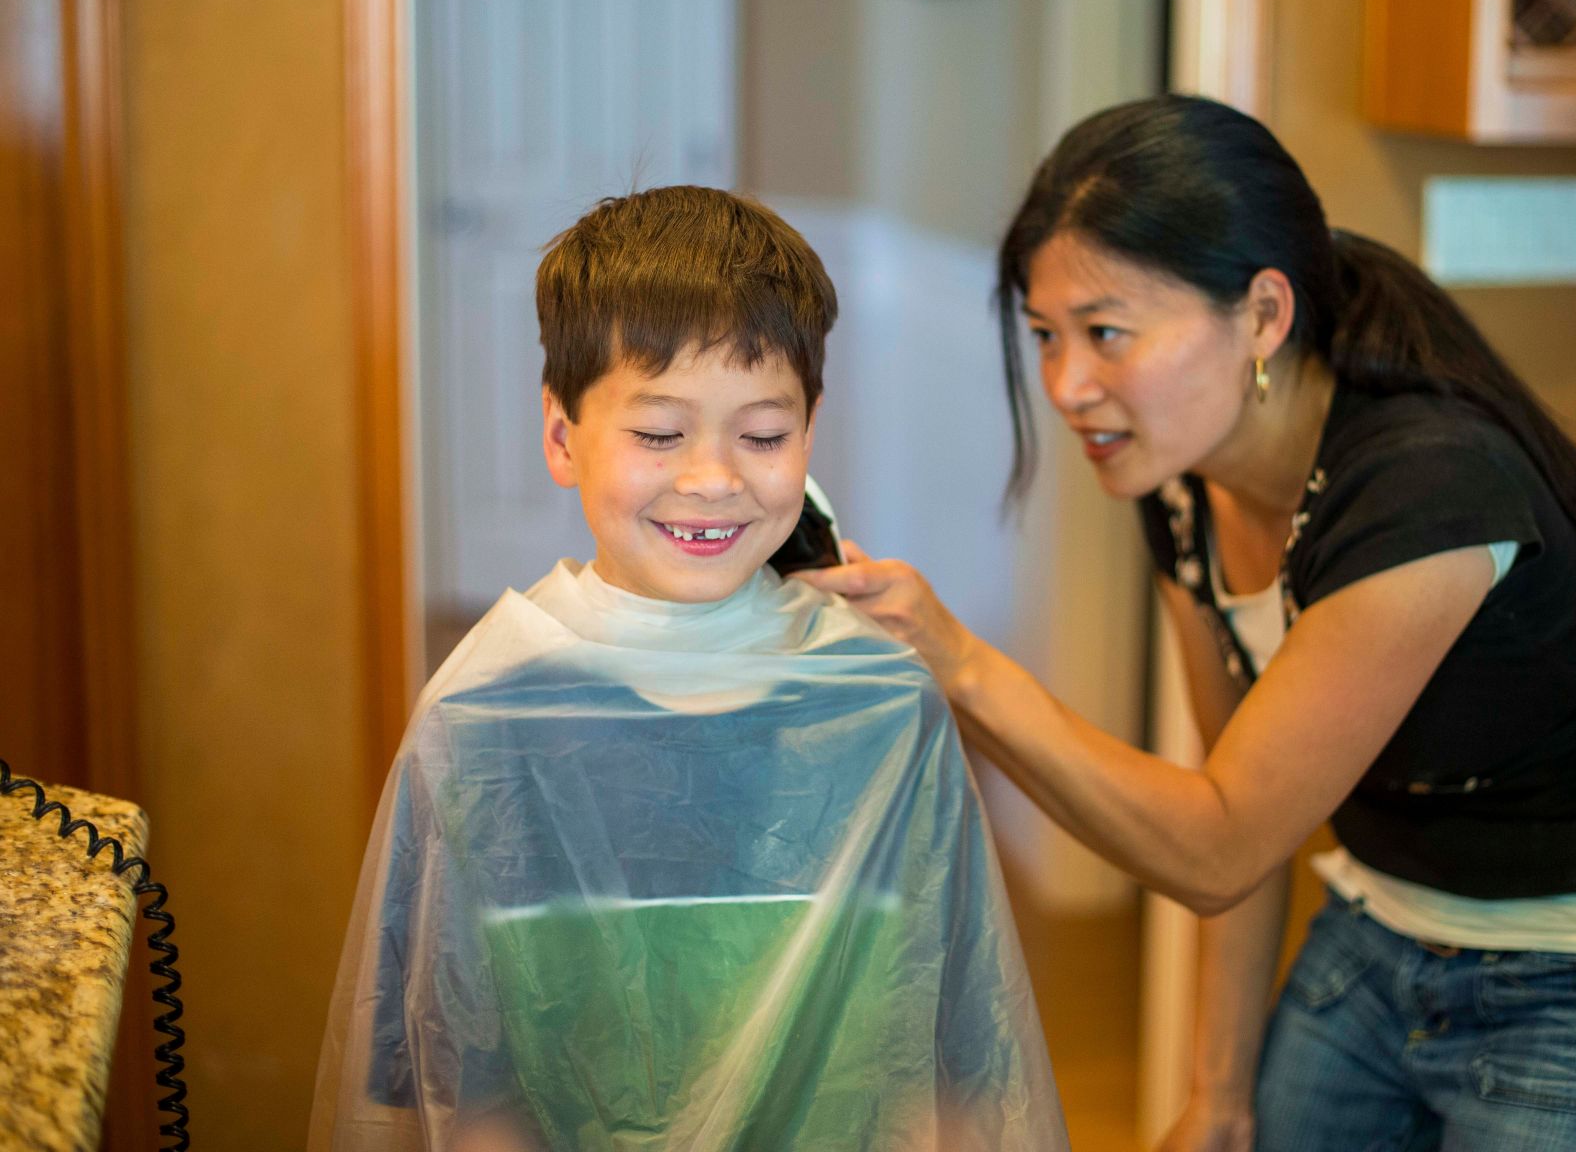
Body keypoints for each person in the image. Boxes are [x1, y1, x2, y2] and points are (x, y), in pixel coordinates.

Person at [796, 96, 1576, 1152]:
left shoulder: (1425, 494)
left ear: (1261, 313)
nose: (1068, 385)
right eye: (1044, 335)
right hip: (1391, 910)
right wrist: (1218, 1093)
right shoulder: (1184, 488)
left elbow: (1214, 843)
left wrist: (959, 659)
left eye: (1107, 330)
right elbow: (1236, 799)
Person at [308, 187, 1067, 1152]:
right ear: (560, 435)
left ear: (810, 432)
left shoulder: (873, 703)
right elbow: (462, 1078)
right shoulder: (487, 719)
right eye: (660, 434)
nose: (712, 478)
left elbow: (947, 1052)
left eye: (762, 435)